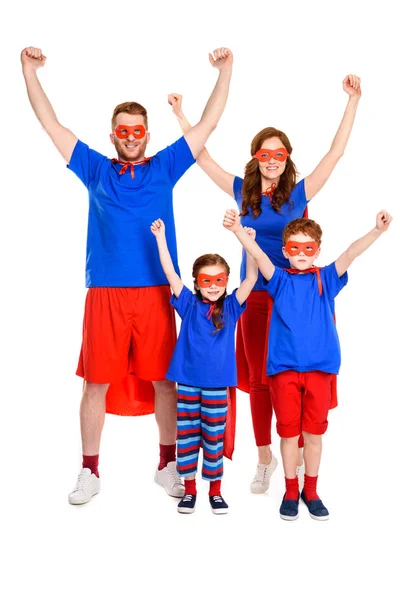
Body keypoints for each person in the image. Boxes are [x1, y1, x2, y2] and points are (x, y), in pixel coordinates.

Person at [21, 45, 234, 505]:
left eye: (138, 131)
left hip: (159, 292)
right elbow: (51, 125)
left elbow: (207, 125)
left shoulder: (165, 166)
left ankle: (167, 464)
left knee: (164, 381)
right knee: (94, 382)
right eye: (124, 131)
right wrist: (29, 71)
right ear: (114, 134)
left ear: (147, 133)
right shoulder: (96, 167)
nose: (131, 137)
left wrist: (225, 71)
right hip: (106, 293)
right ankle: (89, 471)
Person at [169, 76, 362, 493]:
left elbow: (337, 152)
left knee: (303, 373)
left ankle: (302, 452)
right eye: (263, 153)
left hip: (302, 297)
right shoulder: (243, 192)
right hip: (256, 295)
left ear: (287, 158)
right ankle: (264, 458)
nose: (271, 160)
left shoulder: (299, 192)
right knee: (259, 378)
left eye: (278, 154)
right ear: (255, 159)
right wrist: (182, 114)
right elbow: (201, 159)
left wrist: (353, 100)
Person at [223, 207, 392, 520]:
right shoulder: (279, 280)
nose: (302, 254)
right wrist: (238, 232)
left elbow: (351, 252)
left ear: (317, 250)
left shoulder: (327, 277)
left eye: (308, 248)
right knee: (288, 434)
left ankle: (310, 489)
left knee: (313, 435)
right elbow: (259, 256)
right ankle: (290, 488)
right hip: (284, 371)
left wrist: (377, 231)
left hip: (319, 371)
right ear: (286, 251)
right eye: (295, 248)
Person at [150, 218, 258, 513]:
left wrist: (248, 245)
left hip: (216, 385)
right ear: (197, 283)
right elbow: (170, 272)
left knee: (213, 437)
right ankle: (190, 489)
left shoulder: (232, 306)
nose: (212, 287)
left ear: (226, 282)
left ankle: (215, 490)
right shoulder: (188, 304)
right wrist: (161, 238)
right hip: (186, 381)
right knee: (186, 436)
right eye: (206, 281)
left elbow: (250, 280)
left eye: (219, 280)